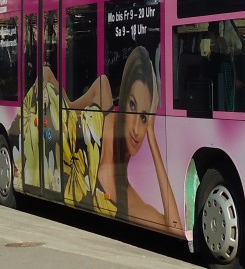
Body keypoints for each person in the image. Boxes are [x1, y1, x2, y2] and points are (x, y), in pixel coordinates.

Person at [57, 46, 180, 230]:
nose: (137, 130)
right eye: (132, 105)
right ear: (122, 99)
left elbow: (173, 226)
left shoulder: (128, 200)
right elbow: (65, 107)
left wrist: (152, 134)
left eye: (144, 117)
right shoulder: (103, 94)